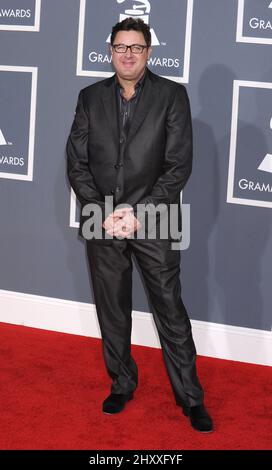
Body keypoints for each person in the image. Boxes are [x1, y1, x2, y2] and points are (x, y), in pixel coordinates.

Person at [67, 17, 213, 433]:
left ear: (148, 52)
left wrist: (137, 211)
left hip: (155, 217)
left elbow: (177, 164)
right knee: (111, 309)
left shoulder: (171, 96)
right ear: (110, 51)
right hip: (102, 217)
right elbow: (76, 163)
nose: (127, 54)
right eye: (120, 47)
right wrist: (100, 208)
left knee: (170, 309)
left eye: (136, 47)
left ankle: (191, 397)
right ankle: (121, 382)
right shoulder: (89, 97)